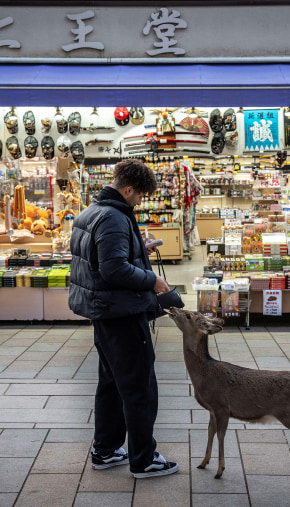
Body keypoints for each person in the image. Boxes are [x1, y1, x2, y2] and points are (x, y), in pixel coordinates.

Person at [69, 159, 179, 479]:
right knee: (139, 387)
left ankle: (105, 450)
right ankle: (143, 459)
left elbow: (100, 259)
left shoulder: (93, 211)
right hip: (121, 313)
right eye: (140, 195)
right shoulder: (115, 217)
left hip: (103, 312)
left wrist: (138, 248)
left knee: (111, 384)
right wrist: (151, 280)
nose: (141, 201)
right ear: (128, 189)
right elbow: (113, 269)